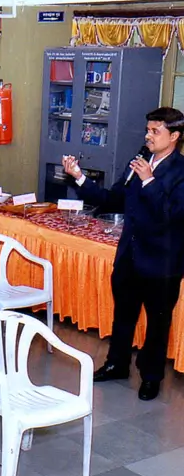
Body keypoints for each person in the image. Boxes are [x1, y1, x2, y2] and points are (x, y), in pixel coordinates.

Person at [64, 106, 184, 401]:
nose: (148, 136)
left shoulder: (180, 171)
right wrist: (79, 178)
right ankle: (116, 363)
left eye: (156, 131)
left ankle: (151, 376)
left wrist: (149, 181)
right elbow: (112, 199)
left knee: (157, 323)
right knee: (123, 316)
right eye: (147, 130)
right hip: (129, 256)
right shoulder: (138, 163)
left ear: (175, 136)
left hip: (162, 262)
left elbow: (172, 215)